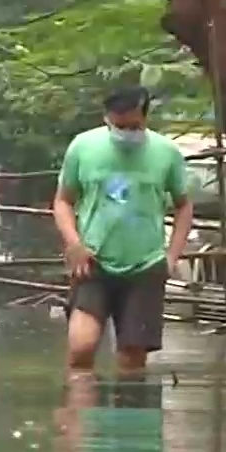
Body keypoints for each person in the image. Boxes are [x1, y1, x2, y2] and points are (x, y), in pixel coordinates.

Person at [54, 86, 196, 372]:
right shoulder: (83, 147)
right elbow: (63, 201)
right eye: (118, 126)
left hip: (145, 264)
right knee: (82, 346)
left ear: (145, 119)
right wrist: (74, 243)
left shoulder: (166, 153)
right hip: (93, 261)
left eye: (133, 126)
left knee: (132, 357)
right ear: (107, 118)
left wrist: (172, 256)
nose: (126, 133)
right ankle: (77, 411)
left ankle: (127, 412)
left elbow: (184, 205)